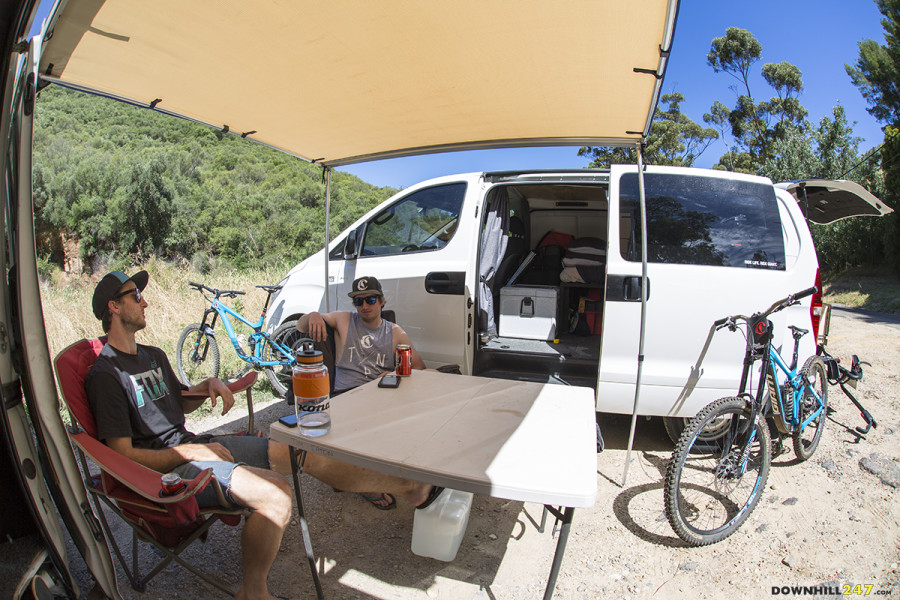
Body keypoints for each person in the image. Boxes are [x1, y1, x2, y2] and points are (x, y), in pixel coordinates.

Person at [85, 270, 443, 600]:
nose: (144, 301)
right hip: (168, 474)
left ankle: (411, 487)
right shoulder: (107, 375)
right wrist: (191, 454)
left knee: (306, 451)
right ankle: (253, 592)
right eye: (135, 296)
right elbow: (122, 455)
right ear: (113, 307)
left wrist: (206, 384)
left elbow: (177, 404)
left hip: (194, 447)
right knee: (276, 495)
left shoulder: (153, 355)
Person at [295, 275, 426, 509]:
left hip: (379, 394)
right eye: (358, 301)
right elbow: (300, 325)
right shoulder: (343, 320)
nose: (364, 306)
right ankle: (360, 480)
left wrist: (394, 374)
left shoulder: (395, 332)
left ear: (382, 301)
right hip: (347, 395)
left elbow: (419, 368)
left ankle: (378, 473)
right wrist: (312, 315)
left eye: (371, 299)